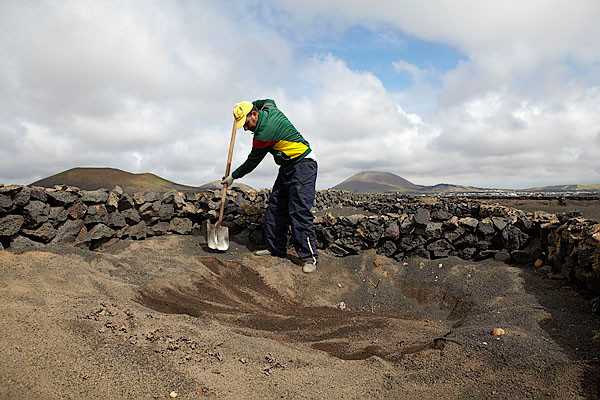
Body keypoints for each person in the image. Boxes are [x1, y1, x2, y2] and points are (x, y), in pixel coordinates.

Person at [221, 99, 319, 273]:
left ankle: (309, 257)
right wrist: (250, 104)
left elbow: (252, 162)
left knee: (299, 210)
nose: (245, 128)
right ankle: (276, 249)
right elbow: (268, 100)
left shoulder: (263, 134)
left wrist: (233, 176)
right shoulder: (269, 109)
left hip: (303, 164)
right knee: (275, 207)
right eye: (242, 125)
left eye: (246, 123)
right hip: (287, 166)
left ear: (254, 114)